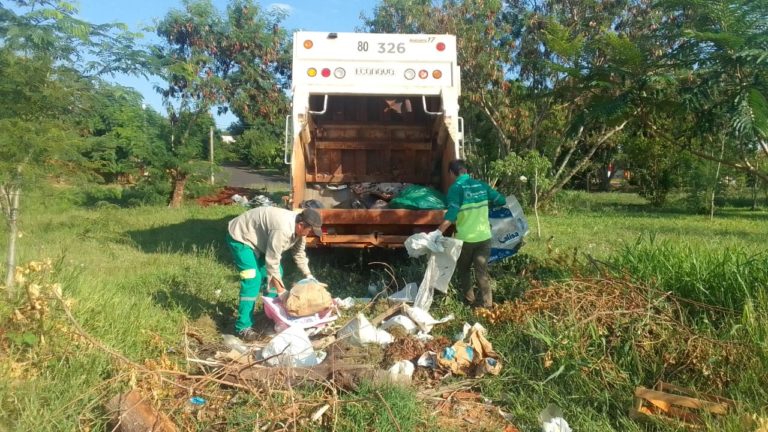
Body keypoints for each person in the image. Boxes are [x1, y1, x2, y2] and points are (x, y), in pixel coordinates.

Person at [226, 206, 323, 341]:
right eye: (310, 230)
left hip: (260, 241)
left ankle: (268, 319)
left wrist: (309, 276)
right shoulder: (282, 230)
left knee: (277, 275)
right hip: (242, 237)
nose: (310, 233)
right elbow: (272, 262)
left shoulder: (299, 231)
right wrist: (282, 292)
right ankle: (243, 327)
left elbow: (299, 254)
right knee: (252, 278)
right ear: (301, 225)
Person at [432, 159, 506, 308]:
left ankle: (469, 301)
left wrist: (437, 232)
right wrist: (485, 203)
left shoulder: (456, 189)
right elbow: (501, 200)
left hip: (465, 240)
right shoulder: (482, 185)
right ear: (466, 171)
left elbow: (452, 214)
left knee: (464, 270)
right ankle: (487, 305)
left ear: (452, 173)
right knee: (482, 273)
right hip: (484, 237)